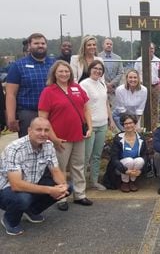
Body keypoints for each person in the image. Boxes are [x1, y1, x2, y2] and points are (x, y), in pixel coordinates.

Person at [0, 117, 71, 236]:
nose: (43, 134)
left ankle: (30, 210)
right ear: (29, 130)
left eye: (46, 130)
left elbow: (56, 171)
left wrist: (62, 186)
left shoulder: (48, 145)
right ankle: (9, 220)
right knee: (23, 199)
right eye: (38, 129)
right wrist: (50, 190)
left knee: (68, 188)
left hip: (31, 184)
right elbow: (16, 185)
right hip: (6, 189)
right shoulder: (14, 149)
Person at [38, 60, 94, 211]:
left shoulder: (77, 87)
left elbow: (86, 109)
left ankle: (80, 194)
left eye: (66, 71)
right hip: (60, 138)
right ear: (54, 74)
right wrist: (54, 138)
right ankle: (61, 197)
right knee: (59, 168)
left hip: (79, 135)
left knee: (78, 166)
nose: (64, 74)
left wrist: (90, 126)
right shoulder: (48, 91)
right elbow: (43, 118)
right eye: (60, 71)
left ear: (71, 72)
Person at [6, 33, 55, 137]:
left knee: (52, 147)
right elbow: (11, 94)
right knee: (30, 148)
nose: (40, 45)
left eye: (43, 43)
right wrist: (11, 118)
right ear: (29, 46)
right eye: (36, 43)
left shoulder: (54, 64)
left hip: (53, 112)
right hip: (29, 113)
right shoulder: (18, 66)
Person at [79, 60, 116, 191]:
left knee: (96, 155)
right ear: (90, 69)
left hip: (102, 124)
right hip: (90, 125)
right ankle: (80, 184)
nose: (98, 71)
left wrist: (110, 119)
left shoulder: (102, 84)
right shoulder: (84, 84)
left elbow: (106, 103)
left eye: (100, 69)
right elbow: (82, 106)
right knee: (86, 155)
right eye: (95, 68)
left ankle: (94, 181)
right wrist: (87, 125)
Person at [103, 114, 147, 192]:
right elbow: (114, 158)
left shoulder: (141, 138)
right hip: (120, 167)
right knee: (129, 160)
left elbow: (145, 155)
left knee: (140, 160)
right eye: (126, 124)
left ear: (135, 123)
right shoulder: (118, 138)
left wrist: (141, 171)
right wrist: (125, 171)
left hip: (136, 166)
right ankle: (125, 182)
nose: (129, 125)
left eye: (131, 123)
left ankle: (132, 181)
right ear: (123, 125)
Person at [135, 42, 160, 129]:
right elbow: (136, 74)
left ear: (154, 50)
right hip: (142, 87)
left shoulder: (158, 61)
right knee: (142, 108)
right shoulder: (139, 61)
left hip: (155, 86)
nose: (150, 50)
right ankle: (143, 127)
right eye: (148, 48)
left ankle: (154, 128)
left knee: (155, 108)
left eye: (152, 49)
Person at [98, 38, 124, 107]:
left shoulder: (118, 58)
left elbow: (120, 73)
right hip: (101, 88)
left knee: (115, 111)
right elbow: (97, 73)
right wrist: (106, 84)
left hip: (114, 90)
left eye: (111, 44)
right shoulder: (97, 57)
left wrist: (111, 84)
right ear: (103, 45)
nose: (109, 45)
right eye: (107, 44)